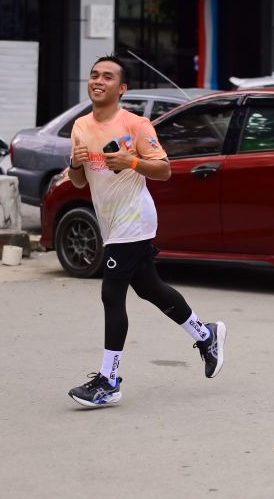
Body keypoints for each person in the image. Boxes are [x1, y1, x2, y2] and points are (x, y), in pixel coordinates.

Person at [67, 54, 226, 408]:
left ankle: (109, 381)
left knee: (112, 295)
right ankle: (206, 335)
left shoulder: (136, 125)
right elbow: (79, 181)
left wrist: (132, 161)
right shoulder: (80, 127)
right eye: (94, 75)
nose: (98, 81)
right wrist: (74, 163)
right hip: (110, 223)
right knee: (150, 288)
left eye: (107, 77)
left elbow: (164, 170)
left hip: (134, 220)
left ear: (121, 88)